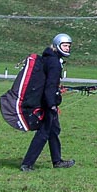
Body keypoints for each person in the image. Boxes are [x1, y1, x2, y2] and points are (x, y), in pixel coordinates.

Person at [20, 33, 76, 171]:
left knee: (53, 130)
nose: (67, 48)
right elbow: (50, 85)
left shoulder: (49, 58)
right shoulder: (54, 63)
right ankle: (27, 164)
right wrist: (51, 104)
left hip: (45, 99)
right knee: (43, 132)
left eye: (68, 46)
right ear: (57, 45)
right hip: (47, 102)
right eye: (65, 45)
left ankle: (57, 161)